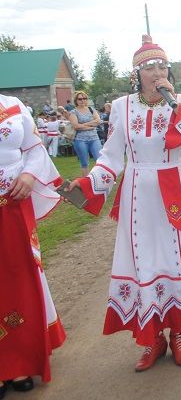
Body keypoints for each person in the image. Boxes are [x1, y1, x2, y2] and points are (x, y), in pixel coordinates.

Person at [68, 34, 181, 371]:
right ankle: (152, 338)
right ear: (136, 74)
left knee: (178, 260)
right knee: (146, 261)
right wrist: (90, 183)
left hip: (175, 186)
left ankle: (180, 334)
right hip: (139, 192)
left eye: (161, 66)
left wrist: (177, 106)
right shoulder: (124, 107)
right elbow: (111, 157)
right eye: (148, 67)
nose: (156, 72)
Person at [0, 93, 66, 394]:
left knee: (19, 277)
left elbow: (35, 149)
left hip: (12, 205)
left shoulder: (13, 105)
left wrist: (28, 175)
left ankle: (21, 360)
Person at [67, 91, 101, 176]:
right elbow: (76, 126)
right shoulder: (73, 112)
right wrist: (90, 126)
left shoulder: (91, 109)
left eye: (84, 98)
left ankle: (100, 179)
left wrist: (83, 125)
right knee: (84, 162)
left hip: (94, 138)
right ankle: (86, 181)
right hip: (80, 140)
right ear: (76, 101)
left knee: (100, 160)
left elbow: (98, 121)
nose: (82, 100)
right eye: (80, 99)